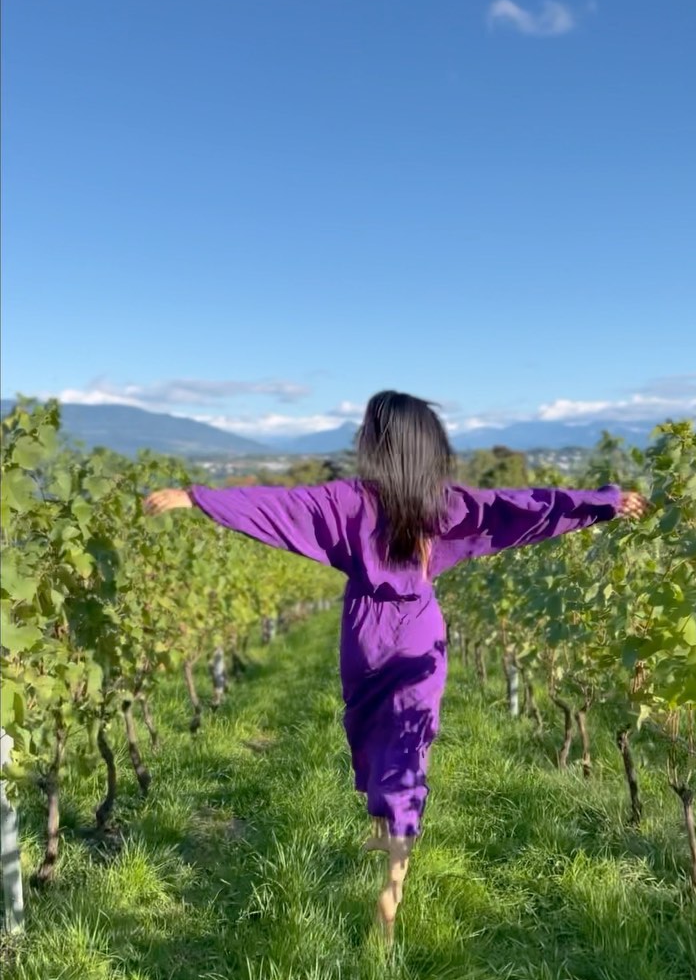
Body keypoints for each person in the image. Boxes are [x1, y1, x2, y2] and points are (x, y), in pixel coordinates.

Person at [144, 390, 648, 943]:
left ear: (377, 444)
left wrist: (197, 498)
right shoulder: (448, 504)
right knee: (408, 747)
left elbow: (280, 506)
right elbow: (520, 508)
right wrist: (601, 503)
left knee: (369, 732)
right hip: (419, 630)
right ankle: (393, 876)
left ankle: (385, 829)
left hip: (364, 631)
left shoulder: (347, 500)